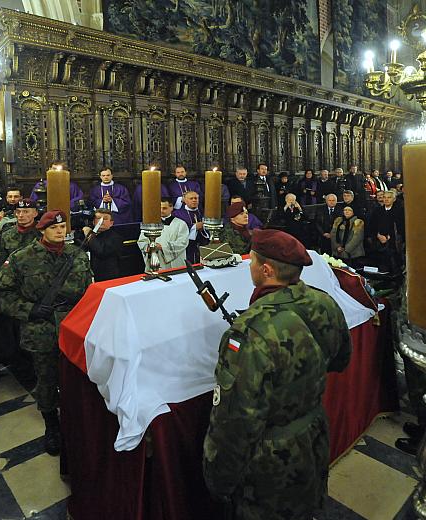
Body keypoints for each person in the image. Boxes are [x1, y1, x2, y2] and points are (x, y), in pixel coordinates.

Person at [203, 229, 352, 520]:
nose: (250, 267)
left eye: (253, 261)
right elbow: (341, 359)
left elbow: (237, 421)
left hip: (270, 462)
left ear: (266, 270)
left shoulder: (251, 330)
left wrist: (218, 479)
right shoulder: (323, 302)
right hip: (312, 438)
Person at [0, 210, 92, 455]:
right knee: (46, 380)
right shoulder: (21, 258)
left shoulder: (77, 255)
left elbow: (89, 289)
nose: (60, 231)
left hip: (74, 327)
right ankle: (52, 426)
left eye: (62, 227)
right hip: (41, 328)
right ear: (42, 230)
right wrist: (28, 310)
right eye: (54, 228)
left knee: (77, 377)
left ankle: (76, 421)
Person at [0, 198, 41, 384]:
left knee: (32, 333)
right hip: (12, 292)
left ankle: (35, 369)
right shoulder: (6, 235)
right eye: (18, 212)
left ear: (35, 213)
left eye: (26, 212)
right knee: (11, 333)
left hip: (34, 292)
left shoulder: (42, 234)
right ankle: (20, 367)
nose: (22, 216)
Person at [137, 198, 189, 269]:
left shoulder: (181, 224)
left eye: (164, 208)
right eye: (159, 208)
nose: (161, 211)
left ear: (171, 208)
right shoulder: (150, 224)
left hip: (174, 262)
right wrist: (148, 247)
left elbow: (182, 243)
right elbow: (141, 241)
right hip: (155, 259)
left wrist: (162, 247)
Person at [366, 190, 405, 272]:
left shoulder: (399, 211)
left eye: (389, 197)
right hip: (378, 241)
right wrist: (378, 235)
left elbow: (401, 227)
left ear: (394, 199)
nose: (386, 199)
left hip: (394, 243)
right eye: (384, 197)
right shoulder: (377, 211)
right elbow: (372, 225)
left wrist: (389, 237)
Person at [82, 208, 123, 281]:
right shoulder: (89, 234)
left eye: (105, 219)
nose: (101, 221)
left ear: (111, 223)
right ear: (94, 222)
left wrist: (89, 235)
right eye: (98, 218)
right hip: (87, 276)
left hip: (107, 278)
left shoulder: (115, 237)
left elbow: (101, 251)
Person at [173, 191, 209, 264]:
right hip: (186, 248)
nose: (194, 200)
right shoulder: (177, 214)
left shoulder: (203, 212)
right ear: (185, 201)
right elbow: (176, 231)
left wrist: (203, 228)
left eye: (196, 198)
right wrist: (194, 227)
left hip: (201, 246)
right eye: (191, 198)